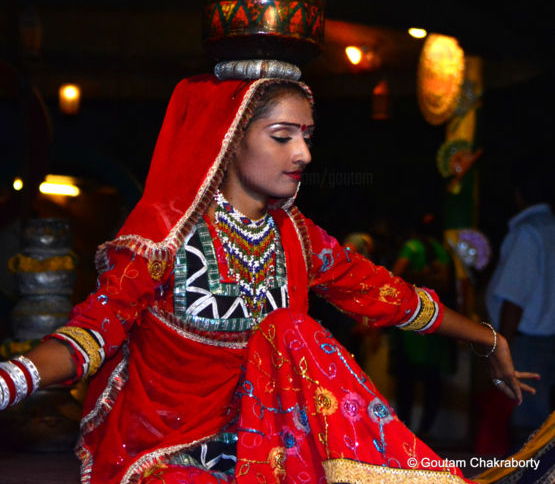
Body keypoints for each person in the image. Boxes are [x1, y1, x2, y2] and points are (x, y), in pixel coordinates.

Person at [0, 75, 538, 484]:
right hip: (169, 453)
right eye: (282, 136)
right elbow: (93, 333)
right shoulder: (164, 234)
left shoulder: (297, 238)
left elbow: (387, 297)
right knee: (289, 329)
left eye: (306, 136)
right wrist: (10, 382)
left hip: (274, 443)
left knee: (292, 332)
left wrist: (489, 340)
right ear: (230, 139)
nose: (302, 153)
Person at [486, 158, 555, 449]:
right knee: (539, 421)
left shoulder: (527, 232)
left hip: (528, 342)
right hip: (548, 339)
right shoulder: (549, 227)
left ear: (518, 194)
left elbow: (514, 297)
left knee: (526, 420)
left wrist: (503, 346)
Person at [390, 214, 458, 436]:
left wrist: (417, 276)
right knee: (432, 381)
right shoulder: (443, 252)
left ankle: (404, 433)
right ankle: (424, 432)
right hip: (435, 324)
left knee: (406, 381)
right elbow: (447, 284)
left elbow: (395, 276)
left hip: (410, 322)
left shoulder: (412, 247)